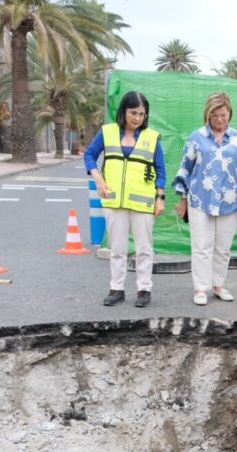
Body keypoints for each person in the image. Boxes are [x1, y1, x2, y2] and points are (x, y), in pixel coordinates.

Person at [173, 92, 237, 306]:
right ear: (208, 115)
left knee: (223, 248)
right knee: (201, 246)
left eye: (223, 115)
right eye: (215, 115)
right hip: (199, 199)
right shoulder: (196, 138)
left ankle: (218, 285)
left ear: (229, 114)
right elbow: (185, 167)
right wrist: (182, 199)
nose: (220, 120)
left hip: (230, 201)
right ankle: (200, 288)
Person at [84, 90, 166, 308]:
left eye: (142, 114)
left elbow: (160, 169)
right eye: (133, 113)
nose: (137, 118)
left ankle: (144, 289)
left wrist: (160, 198)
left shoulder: (152, 137)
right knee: (117, 248)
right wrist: (98, 179)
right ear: (123, 111)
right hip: (115, 202)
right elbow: (89, 155)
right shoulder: (107, 133)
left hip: (142, 203)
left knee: (144, 249)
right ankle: (116, 289)